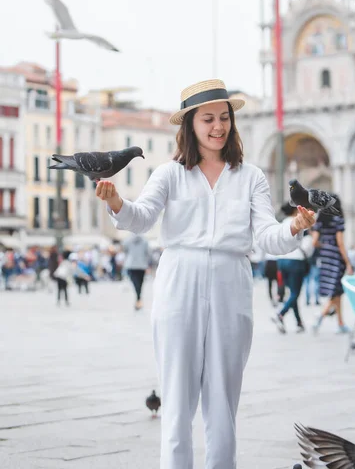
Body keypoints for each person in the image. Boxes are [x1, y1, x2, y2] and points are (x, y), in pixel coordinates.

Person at [95, 78, 315, 469]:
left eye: (224, 118)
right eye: (208, 119)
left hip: (232, 278)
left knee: (223, 401)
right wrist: (116, 202)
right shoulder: (169, 174)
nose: (218, 126)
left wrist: (295, 228)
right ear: (190, 126)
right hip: (180, 276)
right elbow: (142, 218)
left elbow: (267, 236)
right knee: (176, 402)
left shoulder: (251, 176)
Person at [312, 195, 353, 334]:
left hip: (325, 258)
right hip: (336, 258)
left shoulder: (320, 220)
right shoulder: (338, 219)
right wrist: (348, 262)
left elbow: (314, 242)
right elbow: (340, 243)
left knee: (337, 291)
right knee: (336, 290)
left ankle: (340, 323)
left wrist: (324, 246)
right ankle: (321, 315)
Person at [272, 202, 314, 333]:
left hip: (281, 261)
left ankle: (299, 322)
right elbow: (308, 246)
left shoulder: (281, 223)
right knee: (295, 293)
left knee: (292, 293)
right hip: (296, 262)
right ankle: (280, 314)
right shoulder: (300, 223)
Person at [123, 233, 150, 310]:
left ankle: (138, 299)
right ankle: (138, 299)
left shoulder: (127, 240)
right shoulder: (145, 241)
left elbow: (125, 251)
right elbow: (148, 253)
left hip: (131, 264)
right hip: (142, 265)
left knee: (135, 283)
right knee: (140, 284)